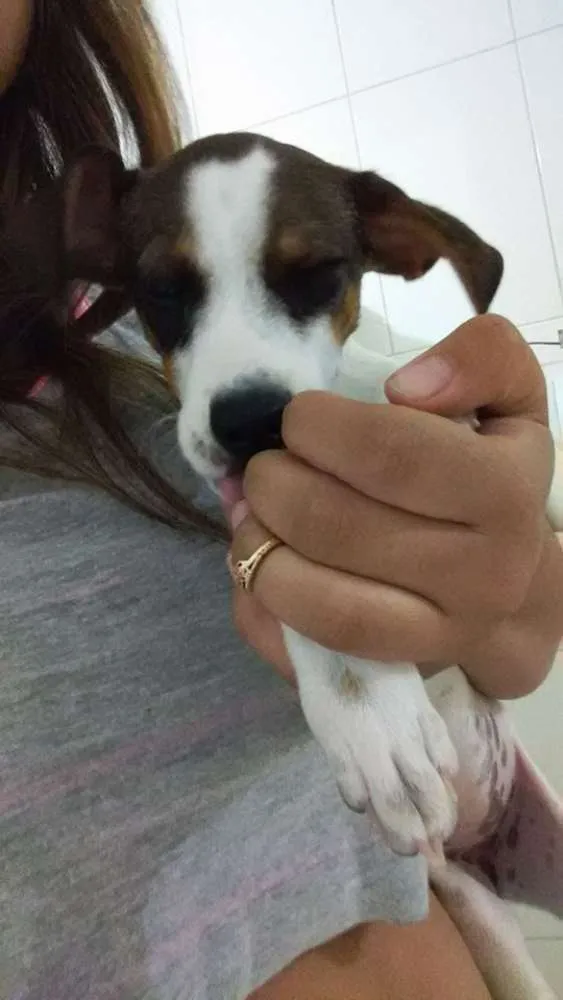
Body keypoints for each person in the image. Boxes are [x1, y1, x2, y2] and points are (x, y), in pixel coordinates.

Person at [0, 3, 561, 998]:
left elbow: (527, 622)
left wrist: (508, 591)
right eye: (176, 296)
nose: (244, 369)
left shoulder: (133, 355)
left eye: (305, 285)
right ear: (96, 242)